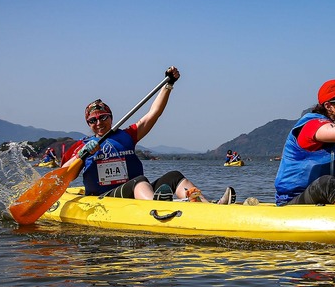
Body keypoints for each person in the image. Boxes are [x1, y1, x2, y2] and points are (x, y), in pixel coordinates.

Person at [62, 66, 235, 204]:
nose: (99, 123)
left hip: (136, 193)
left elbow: (154, 113)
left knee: (174, 176)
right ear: (88, 124)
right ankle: (157, 205)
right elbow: (64, 175)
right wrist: (82, 155)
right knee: (139, 181)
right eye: (93, 120)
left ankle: (206, 206)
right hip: (105, 199)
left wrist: (169, 85)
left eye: (103, 117)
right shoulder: (81, 146)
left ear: (111, 118)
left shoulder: (127, 135)